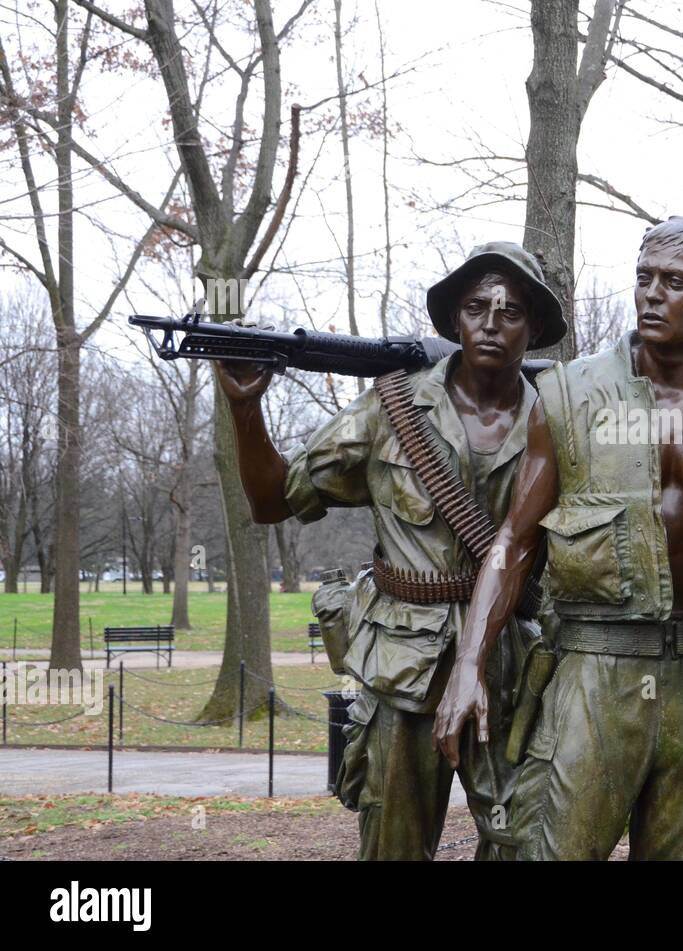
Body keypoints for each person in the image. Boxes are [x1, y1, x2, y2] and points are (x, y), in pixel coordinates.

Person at [433, 217, 683, 860]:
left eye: (675, 283)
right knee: (551, 850)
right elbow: (515, 541)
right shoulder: (568, 395)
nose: (652, 294)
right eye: (644, 278)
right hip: (595, 672)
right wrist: (472, 662)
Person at [214, 241, 566, 860]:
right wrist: (247, 410)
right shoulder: (391, 409)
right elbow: (272, 501)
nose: (491, 321)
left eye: (511, 310)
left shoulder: (562, 419)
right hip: (403, 666)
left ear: (533, 327)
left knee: (524, 844)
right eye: (476, 305)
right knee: (392, 847)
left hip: (512, 666)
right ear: (453, 321)